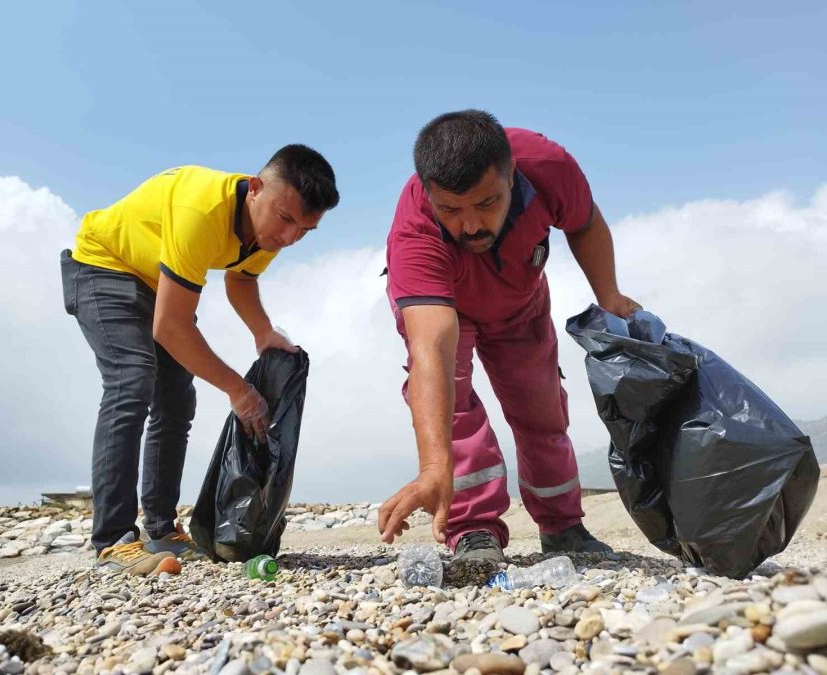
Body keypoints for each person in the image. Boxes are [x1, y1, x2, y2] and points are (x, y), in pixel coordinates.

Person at [60, 146, 339, 576]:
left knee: (175, 400)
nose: (289, 238)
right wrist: (238, 390)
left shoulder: (270, 228)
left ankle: (161, 529)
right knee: (132, 381)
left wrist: (262, 331)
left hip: (156, 280)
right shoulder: (202, 210)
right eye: (285, 220)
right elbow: (170, 328)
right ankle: (113, 540)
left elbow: (241, 278)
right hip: (103, 267)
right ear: (256, 188)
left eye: (305, 230)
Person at [379, 110, 640, 564]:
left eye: (486, 204)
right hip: (448, 309)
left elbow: (583, 222)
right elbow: (431, 353)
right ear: (428, 193)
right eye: (451, 211)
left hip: (520, 302)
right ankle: (474, 530)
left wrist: (609, 294)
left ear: (512, 174)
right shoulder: (415, 236)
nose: (471, 226)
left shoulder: (548, 165)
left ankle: (563, 527)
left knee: (542, 409)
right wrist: (434, 468)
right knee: (453, 400)